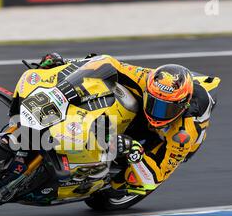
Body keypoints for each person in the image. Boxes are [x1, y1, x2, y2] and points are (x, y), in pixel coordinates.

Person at [27, 53, 217, 197]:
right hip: (151, 96)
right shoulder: (145, 78)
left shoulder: (184, 133)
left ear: (181, 106)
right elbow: (107, 62)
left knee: (132, 181)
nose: (155, 111)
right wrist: (67, 67)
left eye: (163, 108)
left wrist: (135, 151)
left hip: (169, 137)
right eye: (152, 102)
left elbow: (154, 178)